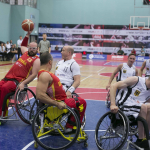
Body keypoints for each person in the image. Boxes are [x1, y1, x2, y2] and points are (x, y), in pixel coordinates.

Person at [36, 52, 86, 132]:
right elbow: (39, 95)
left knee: (75, 97)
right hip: (61, 102)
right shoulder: (45, 75)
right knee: (82, 102)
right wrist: (57, 103)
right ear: (50, 62)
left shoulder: (44, 74)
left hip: (62, 98)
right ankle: (71, 126)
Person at [0, 31, 40, 117]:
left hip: (17, 81)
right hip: (8, 78)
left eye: (34, 48)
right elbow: (23, 45)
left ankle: (2, 114)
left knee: (4, 88)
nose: (31, 50)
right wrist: (28, 35)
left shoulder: (36, 60)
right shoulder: (25, 53)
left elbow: (34, 75)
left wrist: (23, 83)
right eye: (30, 48)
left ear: (37, 49)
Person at [110, 76, 150, 148]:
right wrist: (113, 104)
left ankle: (145, 136)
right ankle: (141, 140)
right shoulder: (136, 80)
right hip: (123, 106)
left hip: (134, 109)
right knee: (143, 107)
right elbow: (113, 86)